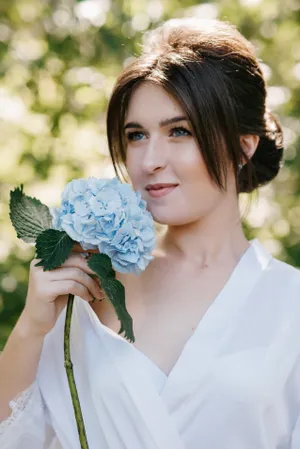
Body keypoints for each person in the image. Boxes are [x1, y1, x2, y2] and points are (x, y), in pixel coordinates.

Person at [0, 16, 299, 449]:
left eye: (180, 131)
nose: (150, 159)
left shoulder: (290, 304)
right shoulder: (89, 282)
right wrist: (31, 326)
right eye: (136, 135)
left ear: (243, 146)